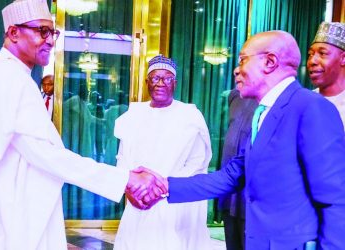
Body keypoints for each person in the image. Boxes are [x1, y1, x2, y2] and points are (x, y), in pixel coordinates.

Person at [138, 31, 345, 249]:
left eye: (243, 60)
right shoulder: (264, 112)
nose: (237, 69)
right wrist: (164, 186)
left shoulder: (311, 107)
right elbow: (232, 175)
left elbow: (336, 199)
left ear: (270, 62)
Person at [0, 0, 166, 249]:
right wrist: (126, 179)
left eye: (52, 32)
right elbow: (46, 156)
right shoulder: (8, 77)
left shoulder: (13, 75)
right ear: (13, 32)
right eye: (42, 31)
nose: (51, 41)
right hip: (15, 221)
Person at [113, 55, 213, 250]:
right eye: (155, 78)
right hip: (137, 199)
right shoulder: (133, 115)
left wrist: (161, 189)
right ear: (146, 82)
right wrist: (131, 190)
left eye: (167, 78)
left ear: (174, 83)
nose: (160, 83)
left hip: (172, 199)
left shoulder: (190, 115)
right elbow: (122, 158)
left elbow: (198, 163)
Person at [220, 89, 256, 250]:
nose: (237, 71)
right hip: (229, 194)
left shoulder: (275, 103)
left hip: (252, 199)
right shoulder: (234, 96)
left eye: (244, 62)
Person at [307, 22, 345, 126]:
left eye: (322, 53)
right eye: (310, 54)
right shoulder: (305, 102)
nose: (312, 61)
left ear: (343, 58)